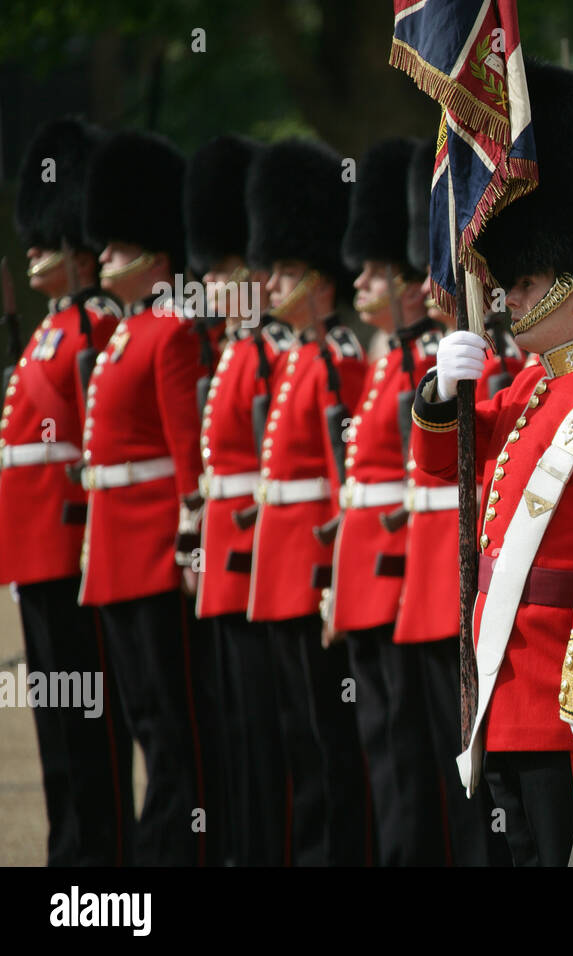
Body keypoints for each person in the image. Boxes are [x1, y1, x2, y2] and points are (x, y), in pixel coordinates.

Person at [410, 59, 573, 867]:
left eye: (525, 284)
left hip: (568, 709)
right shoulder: (537, 389)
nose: (511, 300)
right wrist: (441, 390)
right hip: (502, 694)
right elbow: (447, 464)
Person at [79, 129, 224, 865]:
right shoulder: (123, 333)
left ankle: (174, 846)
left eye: (116, 244)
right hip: (113, 545)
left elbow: (184, 454)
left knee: (172, 717)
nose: (101, 254)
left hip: (155, 549)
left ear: (154, 254)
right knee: (141, 712)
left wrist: (190, 538)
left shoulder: (170, 333)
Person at [2, 116, 131, 866]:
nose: (32, 249)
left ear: (79, 247)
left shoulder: (94, 325)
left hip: (73, 542)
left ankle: (100, 855)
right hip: (34, 550)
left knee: (90, 722)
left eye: (46, 239)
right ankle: (68, 855)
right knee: (55, 718)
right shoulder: (52, 328)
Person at [244, 138, 371, 866]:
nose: (271, 282)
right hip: (280, 563)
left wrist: (331, 578)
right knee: (299, 735)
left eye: (287, 271)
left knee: (330, 740)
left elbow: (339, 481)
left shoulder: (336, 361)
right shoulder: (296, 358)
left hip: (313, 568)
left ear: (320, 280)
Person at [392, 135, 512, 866]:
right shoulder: (484, 355)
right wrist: (441, 392)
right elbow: (440, 459)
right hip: (467, 584)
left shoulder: (549, 367)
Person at [332, 136, 446, 865]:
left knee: (419, 756)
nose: (362, 283)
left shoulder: (433, 358)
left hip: (422, 575)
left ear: (412, 280)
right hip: (381, 576)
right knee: (388, 751)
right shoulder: (388, 362)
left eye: (378, 271)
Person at [185, 133, 293, 866]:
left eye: (226, 272)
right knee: (234, 729)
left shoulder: (270, 355)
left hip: (263, 555)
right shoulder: (228, 354)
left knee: (275, 733)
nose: (214, 284)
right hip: (225, 555)